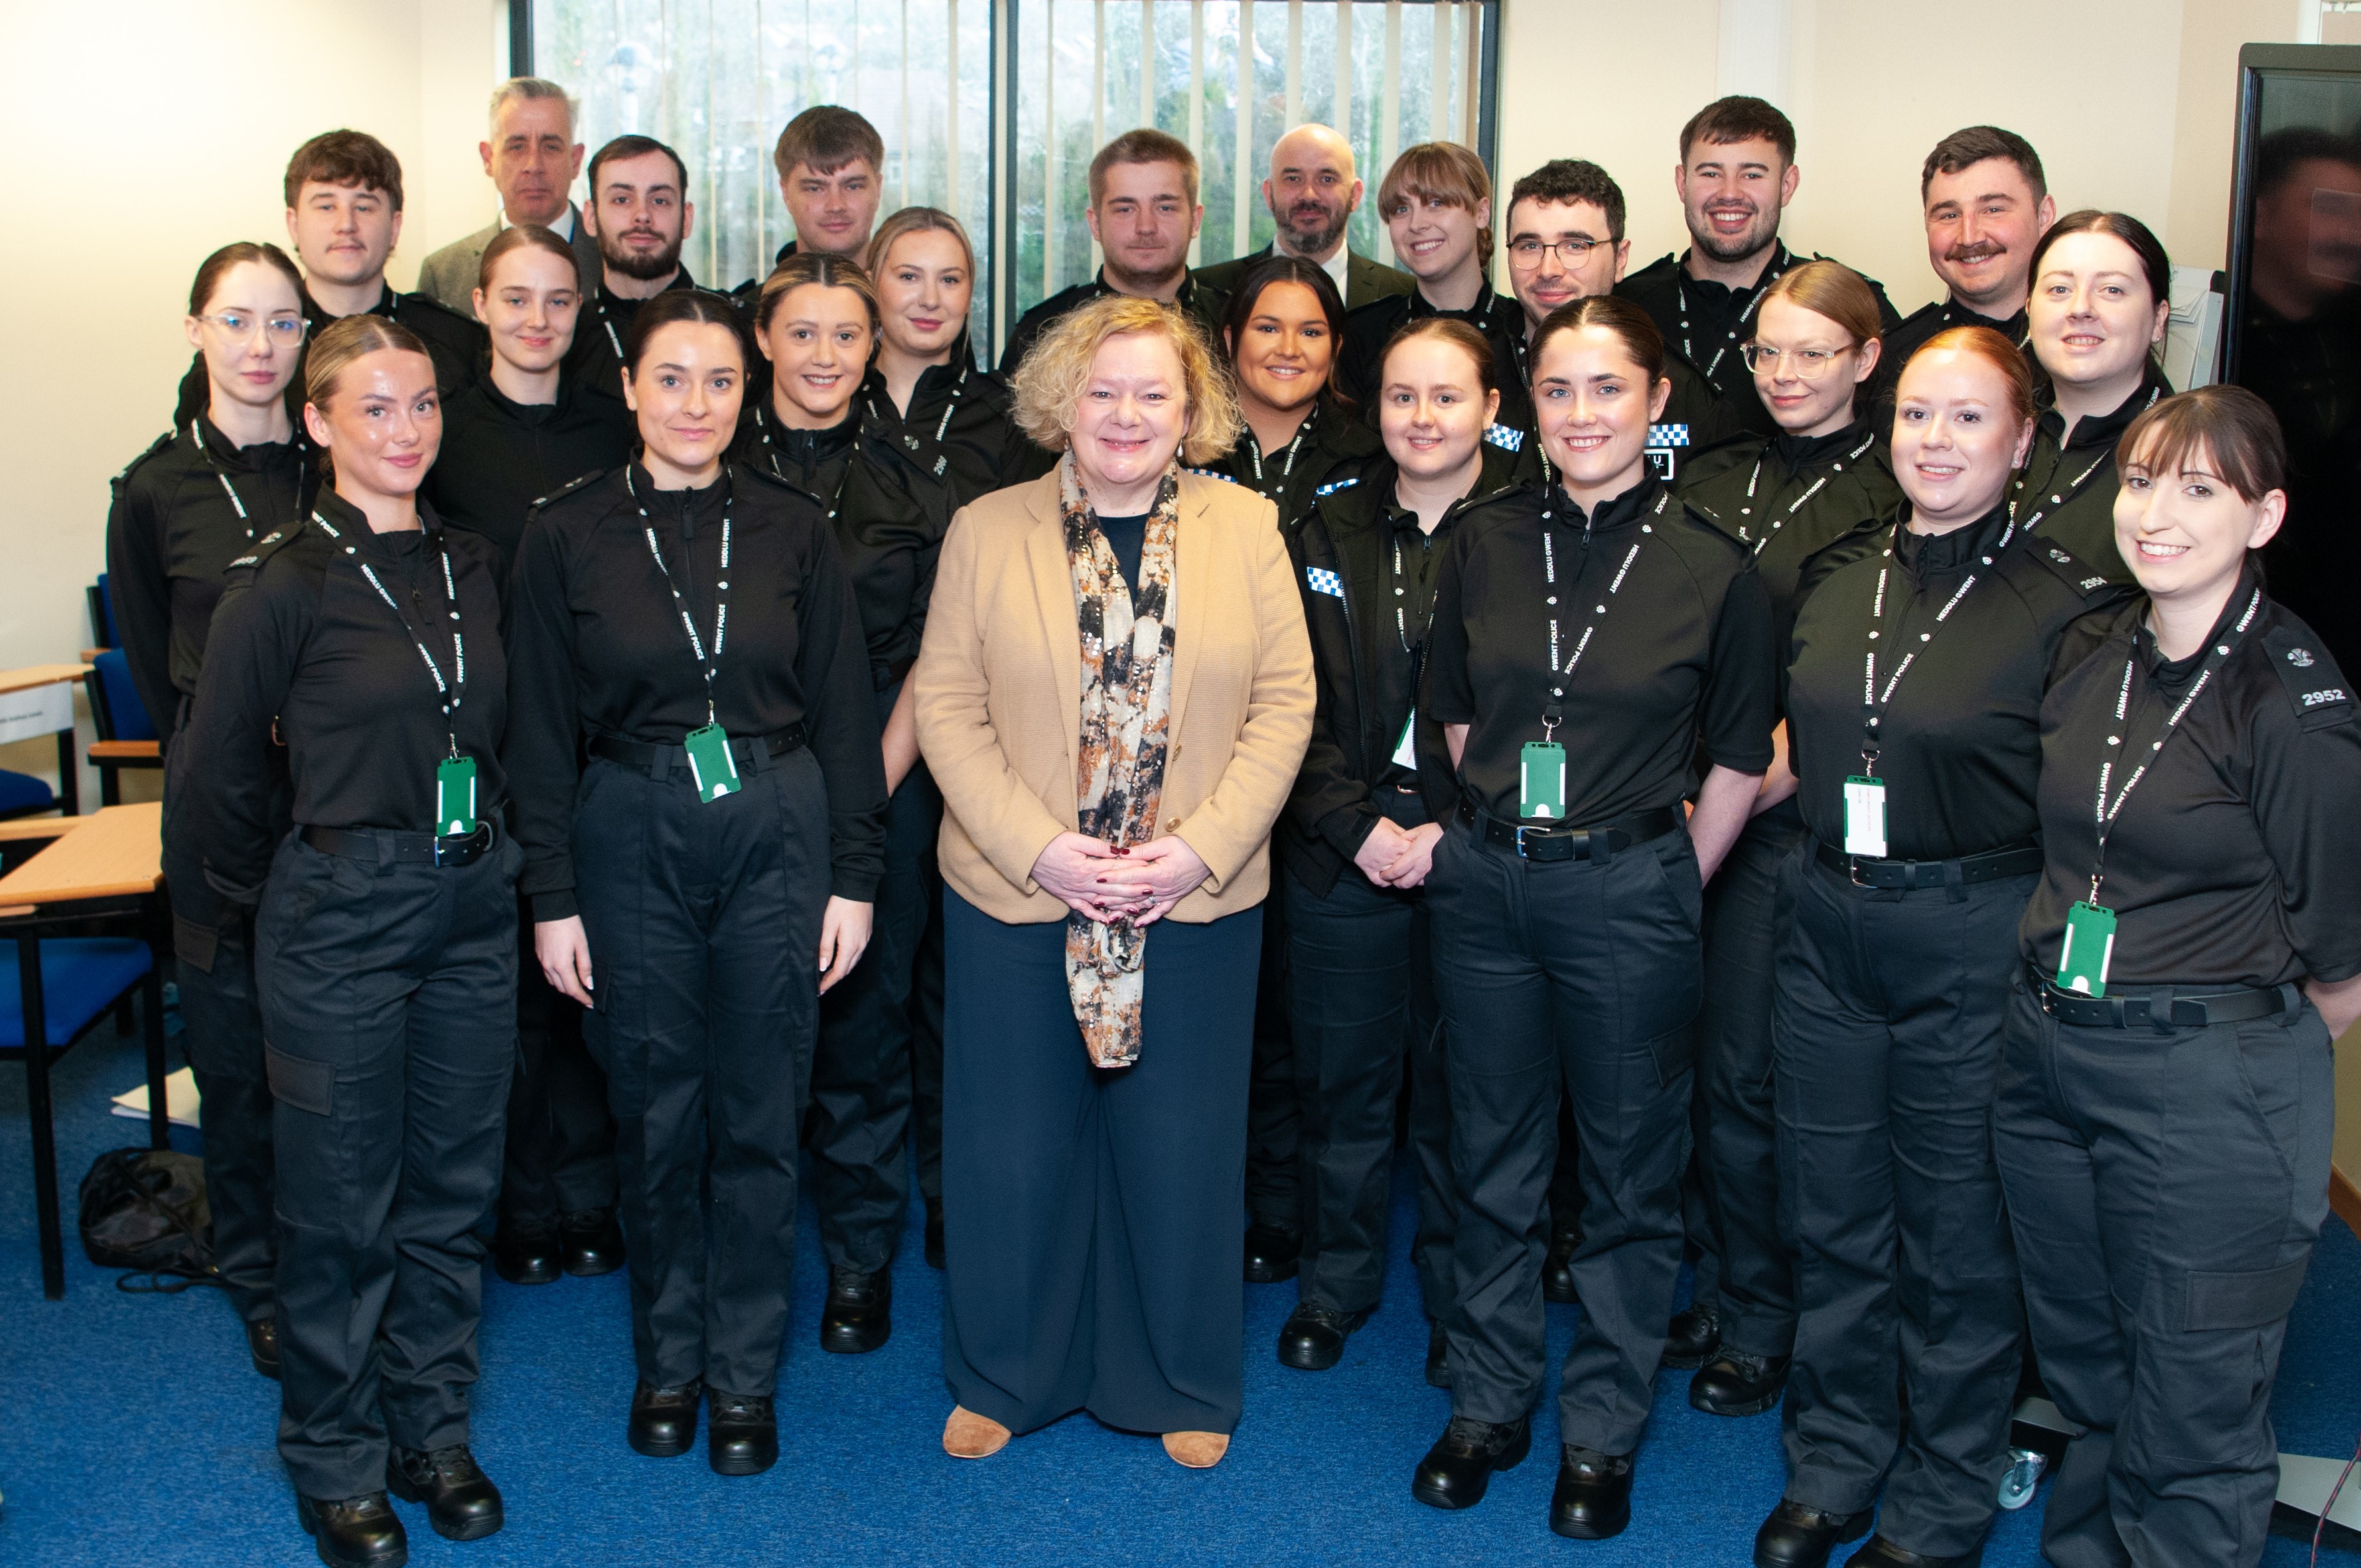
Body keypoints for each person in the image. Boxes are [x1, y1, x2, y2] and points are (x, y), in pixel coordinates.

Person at [915, 294, 1313, 1470]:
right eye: (1102, 390)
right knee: (1011, 1145)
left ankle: (1178, 1375)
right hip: (1018, 888)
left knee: (1178, 1143)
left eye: (1153, 392)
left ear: (1191, 408)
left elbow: (1286, 704)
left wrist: (1197, 849)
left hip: (1190, 894)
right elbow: (946, 705)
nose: (1126, 413)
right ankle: (1005, 1372)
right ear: (1060, 404)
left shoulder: (1247, 527)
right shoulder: (984, 529)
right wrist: (1041, 847)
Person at [1756, 326, 2128, 1568]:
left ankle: (1939, 1499)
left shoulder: (2067, 610)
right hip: (1825, 923)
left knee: (1954, 1231)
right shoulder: (1838, 573)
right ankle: (1834, 1456)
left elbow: (2093, 812)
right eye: (1917, 415)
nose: (1934, 441)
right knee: (1835, 1210)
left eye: (1968, 419)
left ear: (2021, 441)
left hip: (1973, 932)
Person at [1409, 295, 1774, 1541]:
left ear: (1654, 400)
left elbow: (1736, 755)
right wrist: (1508, 821)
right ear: (1530, 405)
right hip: (1487, 881)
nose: (1581, 415)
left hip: (1629, 890)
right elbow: (1458, 717)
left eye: (1606, 389)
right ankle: (1488, 1400)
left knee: (1626, 1174)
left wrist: (1673, 869)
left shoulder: (1714, 565)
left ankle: (1601, 1428)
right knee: (1491, 1155)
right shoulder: (1478, 539)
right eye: (1557, 390)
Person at [505, 291, 885, 1476]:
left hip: (776, 819)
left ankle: (742, 1374)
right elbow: (531, 737)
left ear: (746, 389)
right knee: (655, 1108)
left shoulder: (791, 527)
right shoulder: (562, 534)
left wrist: (855, 877)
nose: (695, 405)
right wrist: (552, 894)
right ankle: (666, 1360)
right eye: (670, 378)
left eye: (719, 381)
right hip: (626, 821)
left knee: (762, 1111)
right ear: (628, 388)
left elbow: (841, 712)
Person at [1998, 385, 2361, 1568]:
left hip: (2205, 1080)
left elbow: (2344, 954)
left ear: (2261, 516)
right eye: (2144, 478)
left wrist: (2234, 1056)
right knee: (2091, 1361)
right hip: (2052, 1055)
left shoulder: (2292, 702)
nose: (2156, 511)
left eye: (2199, 489)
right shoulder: (2095, 642)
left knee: (2193, 1400)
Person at [188, 315, 518, 1568]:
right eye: (373, 408)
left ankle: (432, 1428)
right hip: (339, 917)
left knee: (449, 1188)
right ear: (319, 422)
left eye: (423, 405)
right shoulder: (279, 583)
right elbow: (216, 786)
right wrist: (275, 905)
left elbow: (500, 734)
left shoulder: (469, 562)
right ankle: (334, 1450)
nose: (405, 431)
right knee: (340, 1203)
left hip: (471, 905)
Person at [1670, 260, 1902, 1429]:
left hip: (1770, 823)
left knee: (1747, 1080)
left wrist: (1708, 814)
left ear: (1866, 358)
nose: (1786, 374)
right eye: (1768, 352)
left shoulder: (1886, 496)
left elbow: (1826, 697)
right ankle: (1718, 1280)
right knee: (1686, 1075)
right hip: (1673, 808)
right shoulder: (1713, 473)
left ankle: (1763, 1314)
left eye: (1815, 352)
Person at [1277, 316, 1517, 1384]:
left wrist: (1450, 831)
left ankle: (1458, 1298)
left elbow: (1545, 711)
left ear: (1490, 411)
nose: (1421, 419)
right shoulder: (1320, 525)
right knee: (1342, 1090)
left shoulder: (1531, 533)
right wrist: (1355, 823)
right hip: (1343, 848)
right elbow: (1281, 702)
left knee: (1468, 1097)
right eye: (1400, 398)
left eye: (1447, 397)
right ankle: (1334, 1284)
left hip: (1478, 853)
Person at [733, 252, 953, 1352]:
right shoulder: (706, 470)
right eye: (803, 333)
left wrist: (858, 788)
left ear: (875, 350)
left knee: (863, 1032)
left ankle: (859, 1260)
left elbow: (931, 659)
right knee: (741, 1030)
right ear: (763, 339)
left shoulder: (914, 488)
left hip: (879, 787)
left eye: (846, 336)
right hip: (736, 792)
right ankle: (740, 1253)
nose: (824, 356)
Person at [107, 242, 314, 1385]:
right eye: (238, 322)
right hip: (216, 801)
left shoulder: (338, 459)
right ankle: (257, 1270)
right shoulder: (154, 487)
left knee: (328, 1038)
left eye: (282, 324)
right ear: (197, 330)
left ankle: (341, 1248)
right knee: (233, 1053)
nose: (260, 346)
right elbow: (149, 656)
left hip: (328, 796)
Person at [423, 223, 630, 1291]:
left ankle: (590, 1192)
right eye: (517, 300)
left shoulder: (614, 429)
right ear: (480, 307)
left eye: (559, 300)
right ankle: (520, 1200)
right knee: (497, 984)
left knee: (585, 972)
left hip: (594, 736)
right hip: (477, 735)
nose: (538, 320)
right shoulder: (442, 435)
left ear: (582, 310)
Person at [1206, 253, 1382, 1285]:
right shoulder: (1186, 445)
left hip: (1330, 762)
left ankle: (1297, 1212)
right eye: (1266, 327)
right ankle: (1227, 1202)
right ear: (1228, 339)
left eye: (1310, 330)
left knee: (1304, 1011)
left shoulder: (1368, 449)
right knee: (1226, 1000)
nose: (1286, 348)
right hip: (1204, 759)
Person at [1616, 97, 1897, 436]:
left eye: (1752, 174)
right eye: (1710, 173)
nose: (1730, 193)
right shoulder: (1627, 307)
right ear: (1682, 182)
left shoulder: (1847, 304)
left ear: (1787, 185)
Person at [173, 131, 487, 425]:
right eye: (326, 206)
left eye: (364, 207)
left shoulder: (457, 343)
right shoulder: (251, 355)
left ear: (395, 227)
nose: (346, 224)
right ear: (293, 224)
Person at [1504, 161, 1739, 495]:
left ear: (1621, 258)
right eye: (1530, 246)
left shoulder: (1679, 390)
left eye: (1575, 246)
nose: (1549, 269)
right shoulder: (1474, 371)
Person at [2240, 129, 2361, 677]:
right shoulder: (2229, 355)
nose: (2352, 236)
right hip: (2268, 653)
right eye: (2333, 211)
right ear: (2259, 217)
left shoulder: (2350, 334)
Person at [2013, 211, 2175, 585]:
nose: (2080, 308)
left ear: (2159, 319)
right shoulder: (1987, 424)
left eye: (2112, 290)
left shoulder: (2188, 462)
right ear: (2028, 308)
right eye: (2059, 289)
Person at [862, 206, 1050, 512]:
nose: (930, 300)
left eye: (949, 280)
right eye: (909, 277)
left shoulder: (1008, 415)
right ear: (871, 285)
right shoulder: (832, 401)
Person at [1338, 143, 1528, 437]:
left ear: (1481, 212)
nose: (1416, 224)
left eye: (1436, 203)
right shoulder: (1361, 335)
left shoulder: (1525, 332)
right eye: (1402, 209)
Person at [999, 129, 1226, 374]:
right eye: (1125, 209)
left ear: (1195, 220)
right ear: (1095, 224)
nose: (1146, 227)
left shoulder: (1239, 326)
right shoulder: (1041, 334)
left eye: (1165, 207)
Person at [563, 135, 707, 445]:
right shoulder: (563, 338)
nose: (642, 215)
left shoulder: (736, 330)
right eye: (621, 199)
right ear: (590, 217)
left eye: (660, 200)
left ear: (686, 218)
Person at [415, 77, 601, 315]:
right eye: (517, 147)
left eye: (551, 147)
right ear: (489, 159)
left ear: (575, 161)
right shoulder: (443, 275)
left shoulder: (611, 262)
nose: (534, 165)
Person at [1883, 127, 2058, 371]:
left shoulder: (2086, 354)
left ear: (2043, 216)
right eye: (1949, 215)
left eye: (1993, 210)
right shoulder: (1891, 363)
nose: (1969, 237)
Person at [1188, 123, 1415, 309]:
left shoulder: (1404, 297)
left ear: (1355, 196)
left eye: (1327, 179)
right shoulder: (1206, 292)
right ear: (1269, 194)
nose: (1309, 194)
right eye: (1293, 179)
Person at [733, 104, 886, 296]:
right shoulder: (747, 318)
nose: (836, 205)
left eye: (853, 186)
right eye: (815, 188)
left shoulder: (914, 314)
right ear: (786, 193)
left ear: (878, 189)